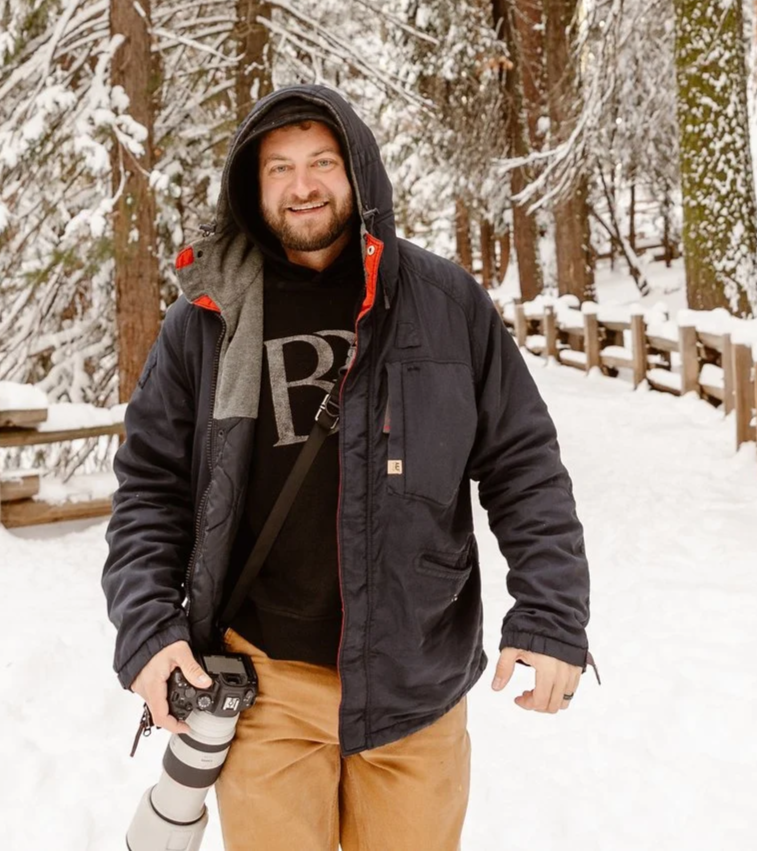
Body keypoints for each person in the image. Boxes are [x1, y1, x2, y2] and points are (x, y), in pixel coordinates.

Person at [103, 84, 591, 850]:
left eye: (323, 162)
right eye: (280, 168)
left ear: (358, 171)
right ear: (249, 185)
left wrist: (553, 615)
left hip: (415, 687)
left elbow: (522, 465)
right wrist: (145, 625)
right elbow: (150, 488)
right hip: (263, 686)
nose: (303, 186)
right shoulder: (205, 318)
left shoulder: (445, 304)